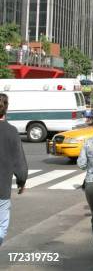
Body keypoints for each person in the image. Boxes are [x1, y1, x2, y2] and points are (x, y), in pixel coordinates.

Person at [0, 93, 28, 247]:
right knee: (1, 226)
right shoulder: (11, 131)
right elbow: (19, 161)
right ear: (6, 109)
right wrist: (21, 181)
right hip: (1, 189)